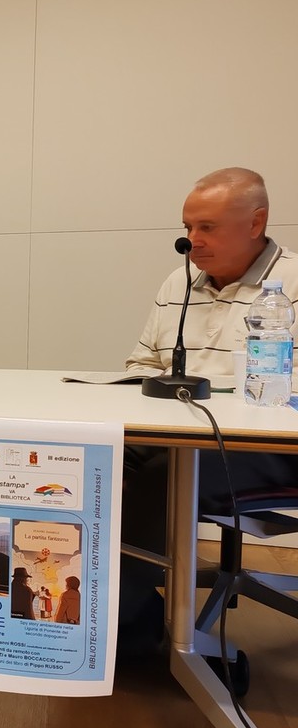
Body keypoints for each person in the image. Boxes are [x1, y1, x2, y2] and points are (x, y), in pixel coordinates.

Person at [123, 167, 298, 642]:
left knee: (165, 477)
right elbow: (142, 362)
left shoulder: (292, 284)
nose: (191, 241)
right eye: (187, 226)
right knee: (91, 460)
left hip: (268, 448)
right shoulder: (177, 283)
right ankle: (121, 607)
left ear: (255, 223)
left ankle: (127, 629)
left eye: (207, 227)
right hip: (173, 433)